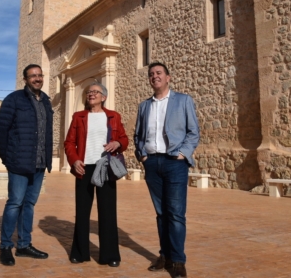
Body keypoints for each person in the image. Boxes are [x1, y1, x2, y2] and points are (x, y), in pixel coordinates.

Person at [134, 62, 200, 278]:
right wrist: (142, 155)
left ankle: (179, 261)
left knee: (176, 214)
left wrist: (183, 154)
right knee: (161, 214)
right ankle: (165, 256)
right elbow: (138, 135)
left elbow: (193, 132)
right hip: (152, 163)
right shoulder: (144, 106)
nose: (155, 76)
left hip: (175, 163)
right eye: (152, 74)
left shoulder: (183, 100)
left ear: (168, 77)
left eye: (159, 73)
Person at [0, 64, 53, 267]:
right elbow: (1, 129)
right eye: (32, 76)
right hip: (18, 162)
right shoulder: (14, 99)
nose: (37, 78)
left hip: (39, 164)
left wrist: (47, 160)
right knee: (15, 203)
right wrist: (6, 158)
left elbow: (47, 132)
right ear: (25, 79)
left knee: (29, 205)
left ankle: (24, 245)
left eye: (39, 75)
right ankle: (5, 246)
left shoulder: (45, 100)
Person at [64, 82, 128, 267]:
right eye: (89, 92)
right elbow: (69, 142)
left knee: (108, 212)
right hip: (84, 167)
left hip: (105, 167)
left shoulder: (113, 116)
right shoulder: (78, 117)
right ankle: (79, 252)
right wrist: (75, 160)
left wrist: (117, 144)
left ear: (104, 97)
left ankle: (110, 255)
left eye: (95, 92)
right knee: (82, 212)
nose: (91, 94)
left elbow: (124, 139)